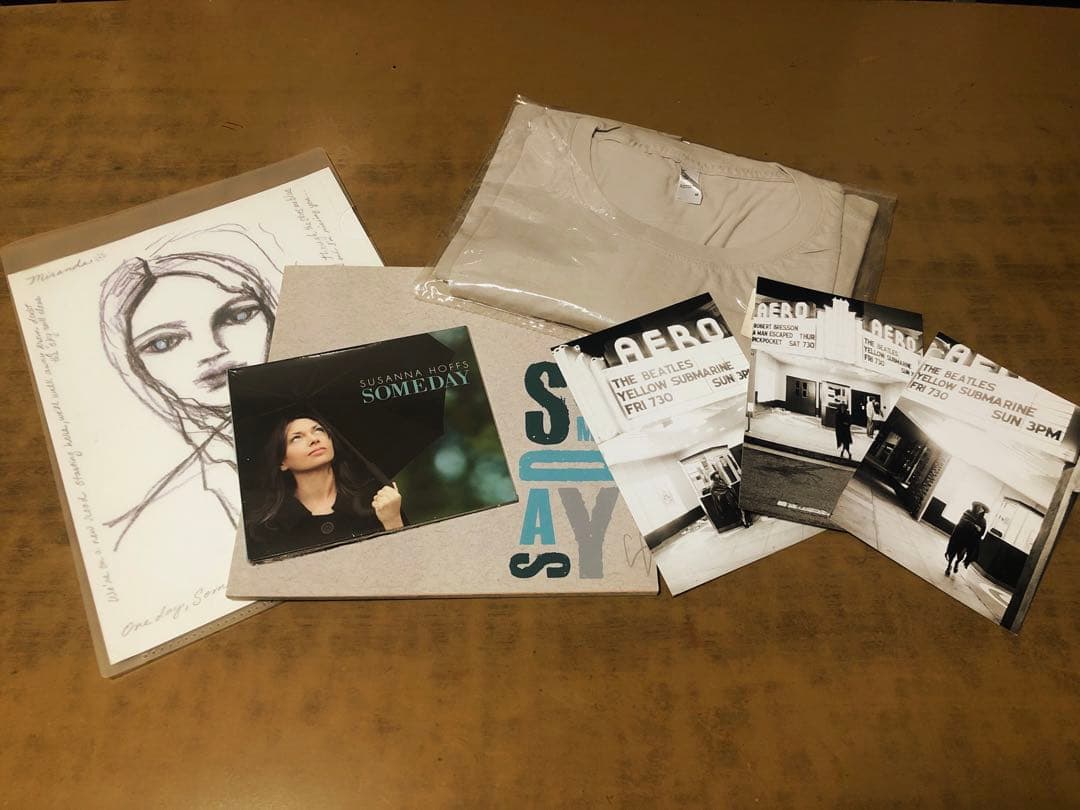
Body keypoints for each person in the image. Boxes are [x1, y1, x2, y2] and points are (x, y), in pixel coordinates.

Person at [99, 225, 281, 548]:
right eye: (164, 342)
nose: (212, 350)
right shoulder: (151, 522)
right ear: (134, 365)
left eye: (239, 316)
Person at [245, 413, 405, 561]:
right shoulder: (270, 527)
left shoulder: (375, 501)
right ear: (282, 462)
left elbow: (404, 563)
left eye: (318, 430)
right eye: (296, 438)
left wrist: (393, 521)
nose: (314, 439)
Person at [945, 501, 988, 577]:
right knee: (952, 552)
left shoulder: (983, 521)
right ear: (975, 507)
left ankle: (957, 563)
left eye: (981, 508)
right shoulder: (968, 512)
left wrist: (976, 530)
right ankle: (949, 566)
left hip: (969, 540)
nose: (979, 509)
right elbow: (962, 521)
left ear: (983, 510)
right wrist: (974, 526)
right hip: (959, 536)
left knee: (961, 555)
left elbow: (981, 532)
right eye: (977, 506)